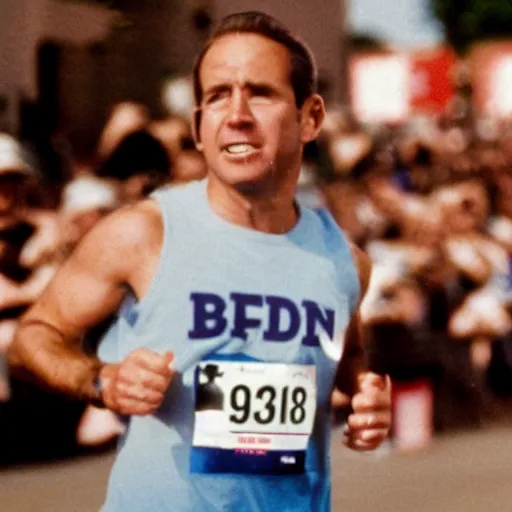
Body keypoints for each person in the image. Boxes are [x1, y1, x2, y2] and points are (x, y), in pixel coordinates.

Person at [9, 11, 391, 511]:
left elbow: (349, 356)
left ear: (310, 117)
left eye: (260, 92)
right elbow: (32, 338)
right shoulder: (143, 234)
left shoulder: (343, 260)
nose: (236, 114)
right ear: (197, 126)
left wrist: (365, 396)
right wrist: (102, 381)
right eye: (217, 96)